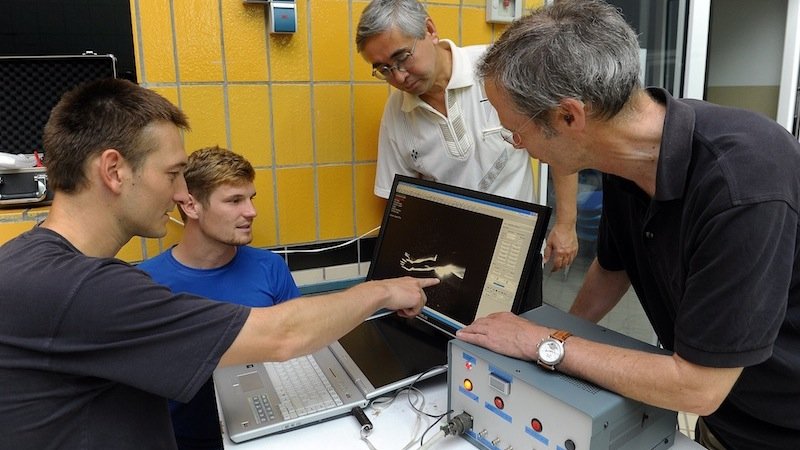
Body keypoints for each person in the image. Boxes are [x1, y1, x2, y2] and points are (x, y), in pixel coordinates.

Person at [0, 78, 438, 450]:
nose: (178, 195)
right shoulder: (81, 289)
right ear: (114, 170)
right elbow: (283, 334)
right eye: (171, 174)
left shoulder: (31, 264)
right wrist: (381, 289)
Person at [456, 1, 800, 449]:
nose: (517, 145)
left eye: (515, 131)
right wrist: (554, 339)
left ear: (568, 117)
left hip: (781, 422)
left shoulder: (744, 185)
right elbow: (611, 268)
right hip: (725, 418)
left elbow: (697, 387)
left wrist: (542, 344)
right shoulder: (625, 159)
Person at [355, 0, 579, 273]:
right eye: (384, 69)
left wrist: (566, 223)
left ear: (429, 30)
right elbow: (400, 202)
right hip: (450, 260)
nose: (399, 76)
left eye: (402, 57)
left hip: (514, 249)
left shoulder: (498, 69)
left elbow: (559, 142)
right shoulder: (397, 114)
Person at [137, 146, 300, 450]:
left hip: (268, 433)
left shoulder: (270, 267)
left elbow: (299, 351)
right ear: (191, 206)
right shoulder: (147, 284)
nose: (251, 212)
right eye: (234, 200)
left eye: (250, 198)